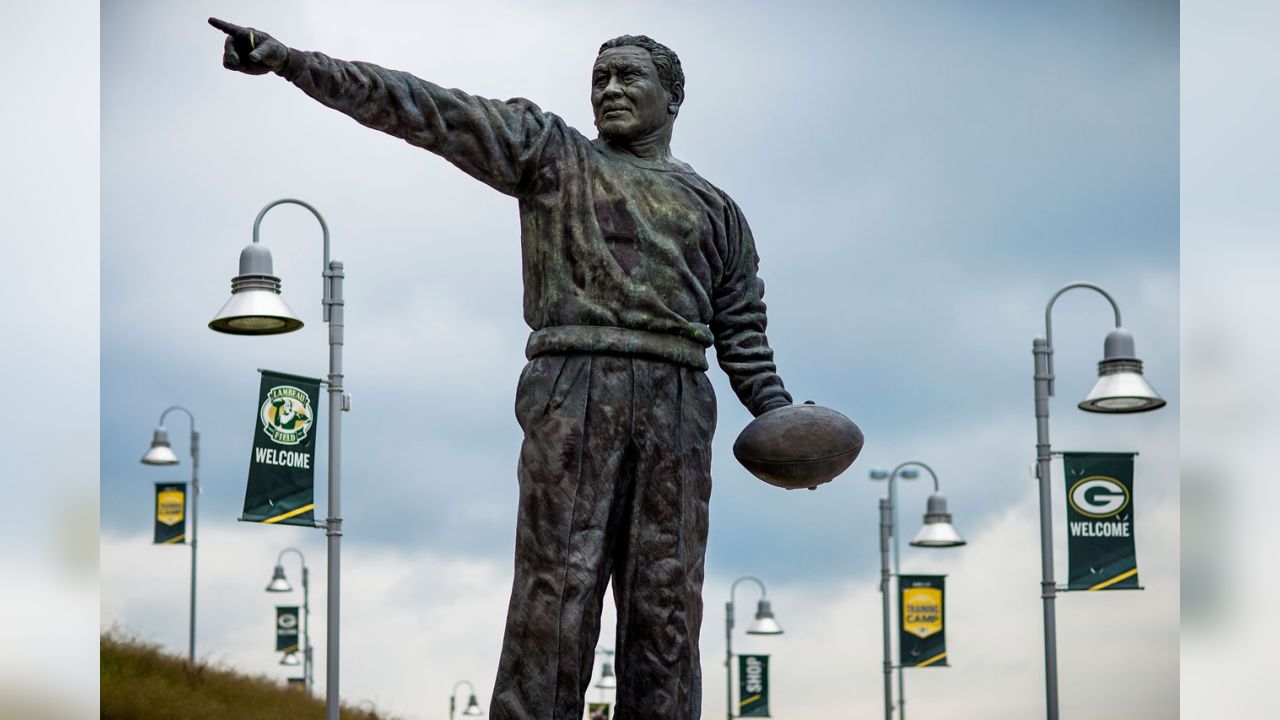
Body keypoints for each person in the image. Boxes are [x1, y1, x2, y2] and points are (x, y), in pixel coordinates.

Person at [210, 18, 793, 719]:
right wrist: (295, 63)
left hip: (679, 402)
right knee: (557, 587)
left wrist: (781, 414)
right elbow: (423, 108)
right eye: (599, 79)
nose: (608, 89)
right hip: (572, 388)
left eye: (627, 77)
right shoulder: (549, 152)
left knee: (666, 600)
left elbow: (744, 334)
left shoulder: (718, 210)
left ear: (672, 98)